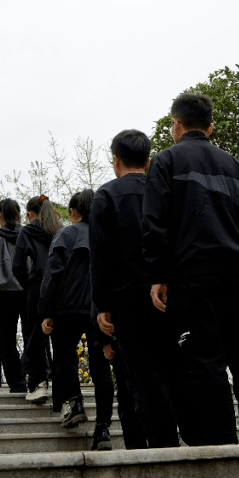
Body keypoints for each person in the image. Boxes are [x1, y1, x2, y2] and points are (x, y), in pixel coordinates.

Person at [142, 92, 239, 446]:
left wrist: (158, 275)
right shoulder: (234, 166)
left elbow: (156, 223)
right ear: (210, 127)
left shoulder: (166, 162)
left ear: (177, 124)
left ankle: (224, 443)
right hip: (236, 275)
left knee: (206, 360)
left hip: (192, 275)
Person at [90, 129, 180, 448]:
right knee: (173, 368)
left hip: (127, 300)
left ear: (116, 160)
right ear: (149, 159)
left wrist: (102, 305)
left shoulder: (106, 196)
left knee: (144, 377)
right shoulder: (165, 190)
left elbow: (100, 256)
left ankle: (163, 445)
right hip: (170, 294)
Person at [41, 190, 143, 449]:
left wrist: (47, 311)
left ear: (73, 213)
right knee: (100, 367)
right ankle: (103, 430)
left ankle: (74, 403)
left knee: (64, 357)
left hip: (69, 308)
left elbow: (52, 275)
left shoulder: (65, 235)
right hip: (102, 308)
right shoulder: (109, 234)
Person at [12, 195, 63, 404]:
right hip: (60, 288)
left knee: (34, 335)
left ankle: (37, 383)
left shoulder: (27, 232)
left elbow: (17, 265)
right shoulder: (60, 231)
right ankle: (63, 386)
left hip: (37, 287)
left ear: (32, 213)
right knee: (59, 339)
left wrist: (28, 283)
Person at [0, 198, 27, 393]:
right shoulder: (28, 235)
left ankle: (17, 383)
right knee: (31, 337)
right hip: (26, 291)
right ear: (18, 214)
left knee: (6, 341)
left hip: (2, 294)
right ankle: (32, 377)